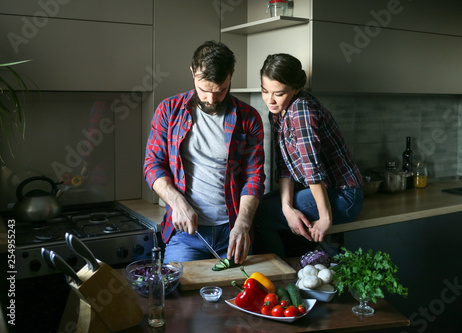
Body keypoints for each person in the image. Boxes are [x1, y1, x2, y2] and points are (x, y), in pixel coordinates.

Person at [143, 41, 266, 264]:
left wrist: (243, 224)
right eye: (204, 91)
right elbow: (153, 164)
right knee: (180, 295)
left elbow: (254, 177)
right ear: (192, 72)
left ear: (231, 75)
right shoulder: (168, 111)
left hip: (232, 232)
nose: (211, 100)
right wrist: (178, 204)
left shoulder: (249, 118)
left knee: (237, 295)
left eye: (220, 91)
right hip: (186, 235)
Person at [253, 53, 363, 258]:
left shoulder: (301, 109)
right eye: (264, 90)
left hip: (343, 195)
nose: (270, 99)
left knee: (260, 216)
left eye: (278, 93)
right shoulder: (277, 111)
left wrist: (324, 218)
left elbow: (312, 169)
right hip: (318, 190)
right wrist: (287, 208)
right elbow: (285, 165)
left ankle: (280, 279)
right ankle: (290, 271)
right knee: (258, 206)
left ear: (296, 88)